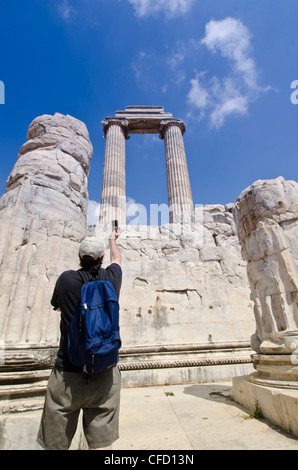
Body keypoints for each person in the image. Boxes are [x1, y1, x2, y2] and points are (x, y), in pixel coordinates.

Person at [37, 227, 122, 450]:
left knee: (55, 444)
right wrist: (113, 239)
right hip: (104, 372)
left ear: (79, 257)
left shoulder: (66, 280)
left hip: (67, 372)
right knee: (102, 444)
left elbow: (56, 306)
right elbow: (117, 259)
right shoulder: (112, 279)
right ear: (101, 258)